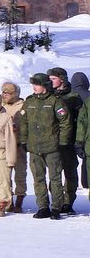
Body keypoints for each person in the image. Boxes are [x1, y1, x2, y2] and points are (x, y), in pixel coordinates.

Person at [21, 72, 69, 219]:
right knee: (38, 178)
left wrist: (62, 142)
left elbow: (65, 122)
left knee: (55, 178)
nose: (34, 87)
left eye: (37, 84)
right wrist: (24, 140)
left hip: (52, 147)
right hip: (34, 148)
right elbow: (24, 122)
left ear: (45, 86)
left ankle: (56, 207)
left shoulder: (56, 101)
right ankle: (43, 207)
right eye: (33, 84)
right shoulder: (29, 102)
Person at [49, 67, 80, 214]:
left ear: (62, 79)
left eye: (53, 78)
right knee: (54, 173)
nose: (50, 81)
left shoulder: (74, 96)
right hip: (52, 141)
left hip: (69, 141)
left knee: (70, 173)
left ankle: (68, 202)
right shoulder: (48, 96)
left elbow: (79, 121)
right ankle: (57, 201)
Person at [0, 81, 27, 213]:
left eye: (8, 93)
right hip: (4, 145)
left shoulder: (23, 106)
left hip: (18, 144)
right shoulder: (0, 106)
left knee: (20, 173)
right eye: (3, 92)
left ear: (15, 94)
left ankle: (20, 199)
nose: (5, 95)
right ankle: (8, 199)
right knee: (5, 174)